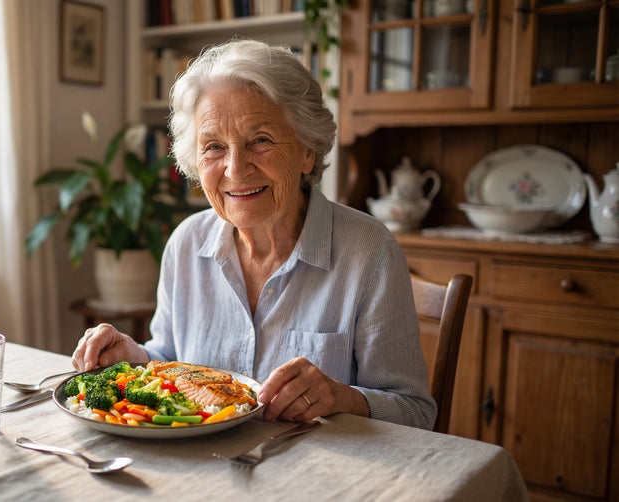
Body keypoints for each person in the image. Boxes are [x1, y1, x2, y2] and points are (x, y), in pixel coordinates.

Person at [71, 39, 436, 430]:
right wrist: (133, 356)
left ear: (307, 150)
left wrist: (340, 396)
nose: (235, 169)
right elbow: (169, 359)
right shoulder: (186, 243)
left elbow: (416, 412)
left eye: (260, 140)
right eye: (213, 147)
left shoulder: (370, 252)